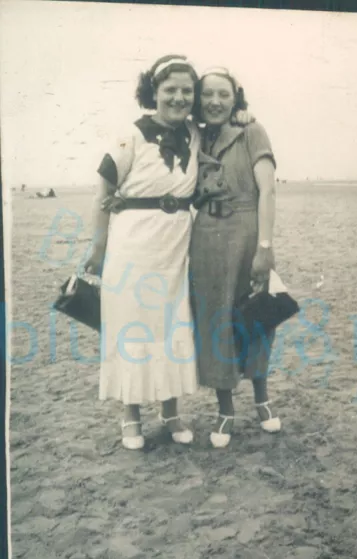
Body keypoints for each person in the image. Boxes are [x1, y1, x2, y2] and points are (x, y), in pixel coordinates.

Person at [84, 55, 252, 451]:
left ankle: (171, 411)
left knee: (172, 326)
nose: (179, 97)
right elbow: (102, 194)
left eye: (186, 91)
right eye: (170, 90)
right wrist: (98, 249)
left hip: (176, 246)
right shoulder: (130, 136)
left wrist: (244, 114)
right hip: (132, 244)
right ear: (153, 92)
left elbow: (227, 119)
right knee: (132, 326)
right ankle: (130, 417)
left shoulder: (195, 133)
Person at [189, 67, 281, 449]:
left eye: (223, 95)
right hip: (206, 239)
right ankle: (225, 410)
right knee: (214, 322)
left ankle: (262, 400)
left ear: (235, 98)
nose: (215, 101)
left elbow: (268, 191)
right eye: (207, 94)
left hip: (246, 234)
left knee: (256, 317)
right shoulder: (192, 138)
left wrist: (264, 247)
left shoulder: (251, 131)